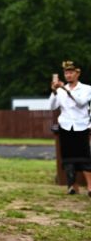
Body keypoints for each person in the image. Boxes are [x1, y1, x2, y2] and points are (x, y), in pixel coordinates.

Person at [49, 60, 91, 196]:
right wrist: (54, 91)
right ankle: (73, 186)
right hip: (66, 126)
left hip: (81, 126)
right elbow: (51, 106)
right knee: (68, 158)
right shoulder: (60, 90)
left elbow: (80, 103)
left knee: (85, 158)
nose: (68, 75)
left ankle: (90, 187)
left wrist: (65, 89)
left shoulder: (86, 89)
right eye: (66, 73)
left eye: (71, 72)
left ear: (78, 73)